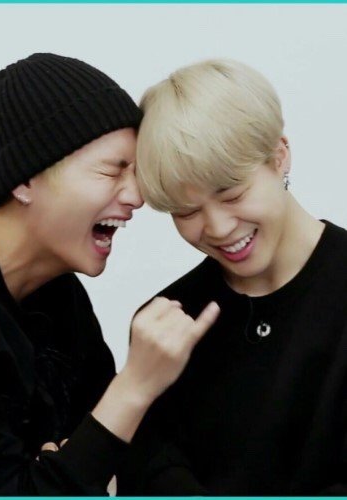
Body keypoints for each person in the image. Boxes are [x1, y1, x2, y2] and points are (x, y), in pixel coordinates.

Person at [0, 53, 220, 495]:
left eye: (136, 172)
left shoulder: (58, 292)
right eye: (112, 170)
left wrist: (65, 464)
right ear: (24, 181)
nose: (138, 196)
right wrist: (136, 385)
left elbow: (113, 451)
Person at [117, 59, 347, 495]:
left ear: (279, 156)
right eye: (186, 211)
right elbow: (150, 471)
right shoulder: (164, 325)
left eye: (232, 193)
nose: (219, 228)